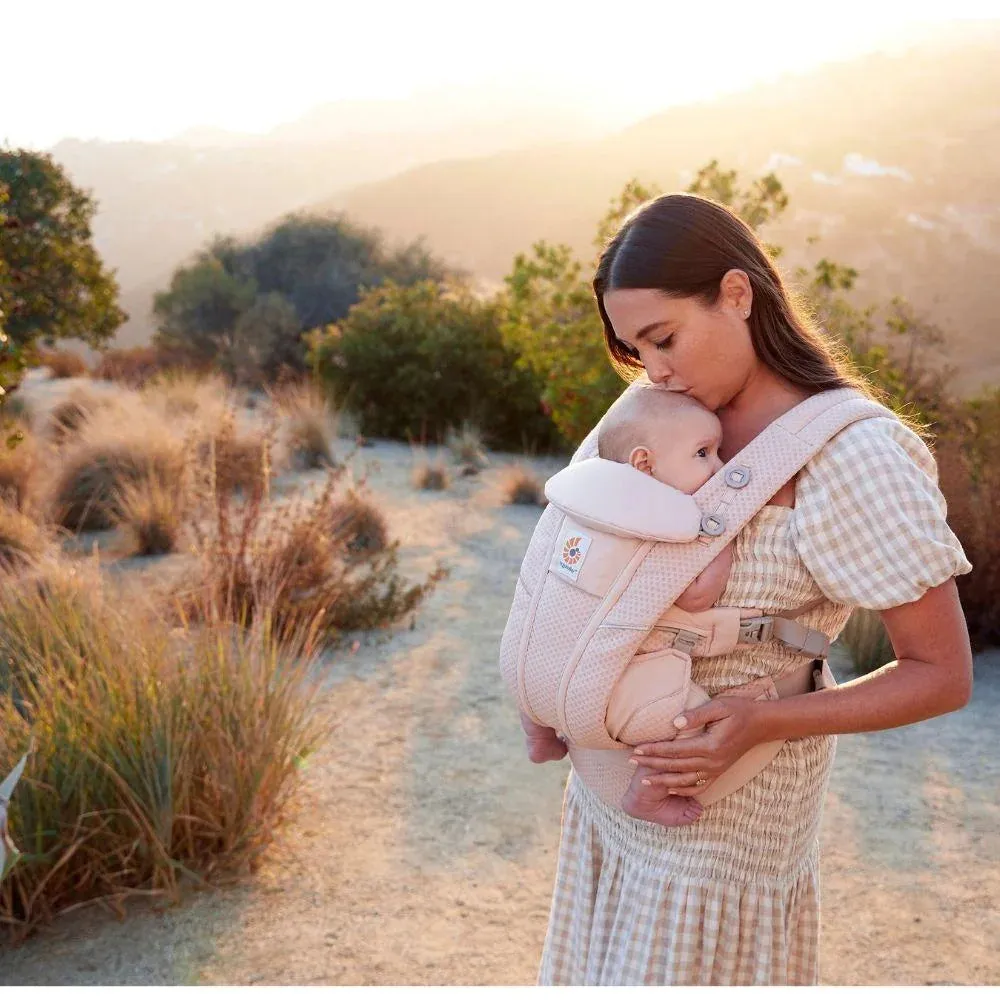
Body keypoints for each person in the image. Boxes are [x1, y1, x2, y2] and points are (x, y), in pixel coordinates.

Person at [534, 193, 973, 986]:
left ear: (738, 294)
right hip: (610, 799)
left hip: (728, 818)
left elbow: (942, 674)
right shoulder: (658, 413)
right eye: (636, 351)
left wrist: (763, 720)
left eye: (664, 338)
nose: (654, 371)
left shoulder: (853, 456)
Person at [517, 385, 736, 828]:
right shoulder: (667, 521)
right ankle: (647, 793)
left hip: (525, 670)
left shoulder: (582, 497)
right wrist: (721, 547)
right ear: (644, 464)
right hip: (613, 693)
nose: (721, 464)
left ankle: (538, 735)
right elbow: (697, 596)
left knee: (535, 662)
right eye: (704, 453)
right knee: (690, 728)